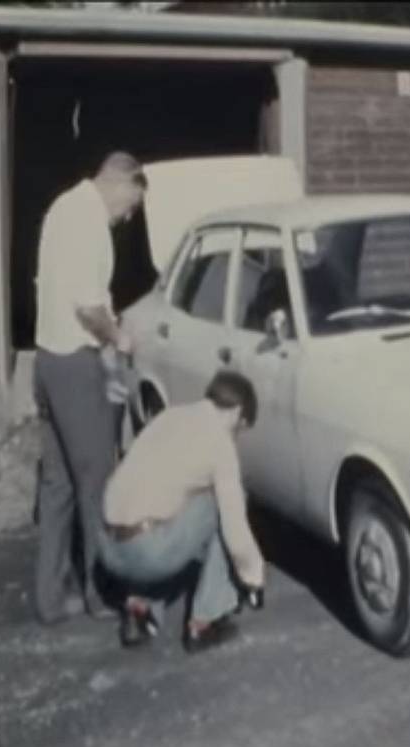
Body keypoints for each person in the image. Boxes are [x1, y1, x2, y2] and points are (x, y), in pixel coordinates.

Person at [33, 151, 147, 623]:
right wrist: (118, 337)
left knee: (57, 483)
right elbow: (88, 309)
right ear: (123, 184)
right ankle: (102, 593)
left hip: (46, 360)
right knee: (96, 478)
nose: (130, 216)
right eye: (133, 204)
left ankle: (49, 599)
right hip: (75, 365)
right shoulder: (89, 220)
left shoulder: (63, 207)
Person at [98, 371, 265, 653]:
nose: (238, 434)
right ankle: (205, 622)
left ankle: (141, 606)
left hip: (107, 548)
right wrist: (253, 578)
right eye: (242, 425)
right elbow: (235, 527)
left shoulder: (169, 416)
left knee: (165, 503)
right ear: (236, 411)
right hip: (145, 554)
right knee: (221, 506)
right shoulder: (220, 443)